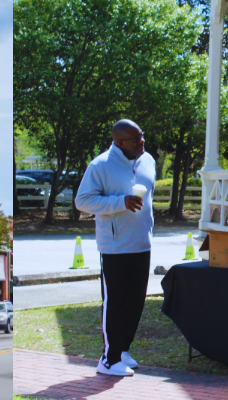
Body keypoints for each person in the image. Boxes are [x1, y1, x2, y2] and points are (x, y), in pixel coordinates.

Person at [74, 119, 156, 377]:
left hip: (142, 242)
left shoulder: (148, 160)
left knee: (136, 302)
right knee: (116, 302)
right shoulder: (100, 165)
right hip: (115, 246)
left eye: (142, 136)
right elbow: (83, 201)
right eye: (136, 139)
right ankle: (108, 361)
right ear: (120, 143)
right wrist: (121, 202)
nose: (141, 142)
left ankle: (122, 351)